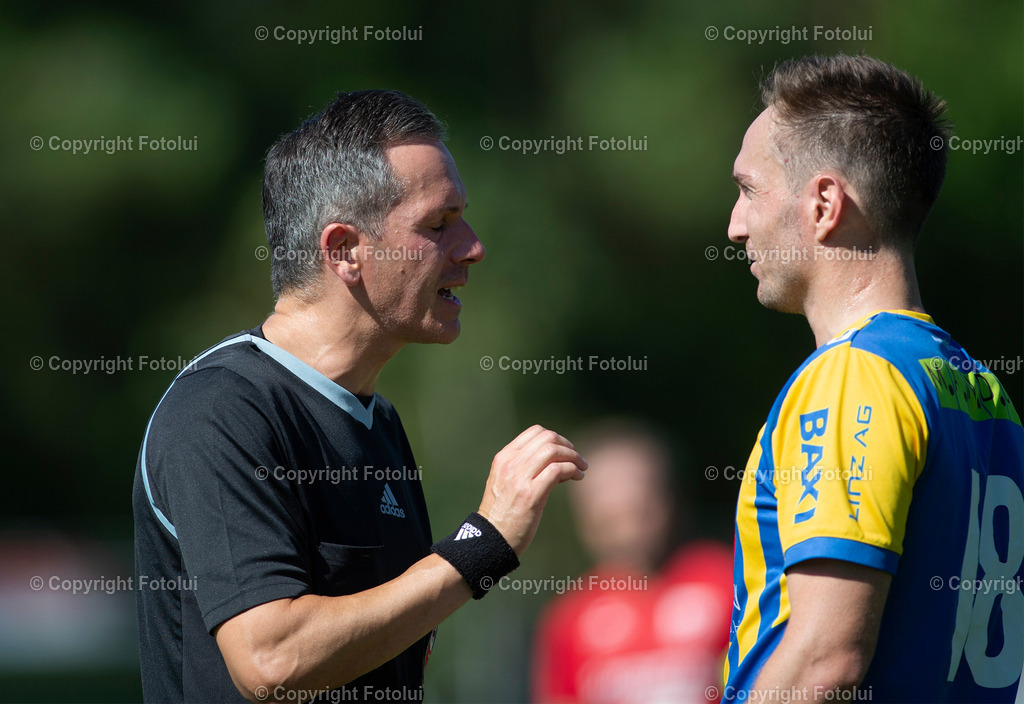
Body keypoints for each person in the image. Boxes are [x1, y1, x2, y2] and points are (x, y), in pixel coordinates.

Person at [132, 89, 587, 704]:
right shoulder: (222, 410)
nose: (472, 246)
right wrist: (482, 544)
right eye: (439, 224)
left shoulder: (376, 420)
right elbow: (272, 661)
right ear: (345, 251)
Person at [723, 54, 1023, 703]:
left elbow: (824, 661)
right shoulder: (983, 391)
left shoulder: (855, 374)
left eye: (749, 190)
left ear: (825, 203)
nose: (734, 225)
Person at [531, 420, 732, 703]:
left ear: (668, 499)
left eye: (638, 510)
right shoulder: (568, 619)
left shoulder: (729, 581)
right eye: (611, 517)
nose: (627, 529)